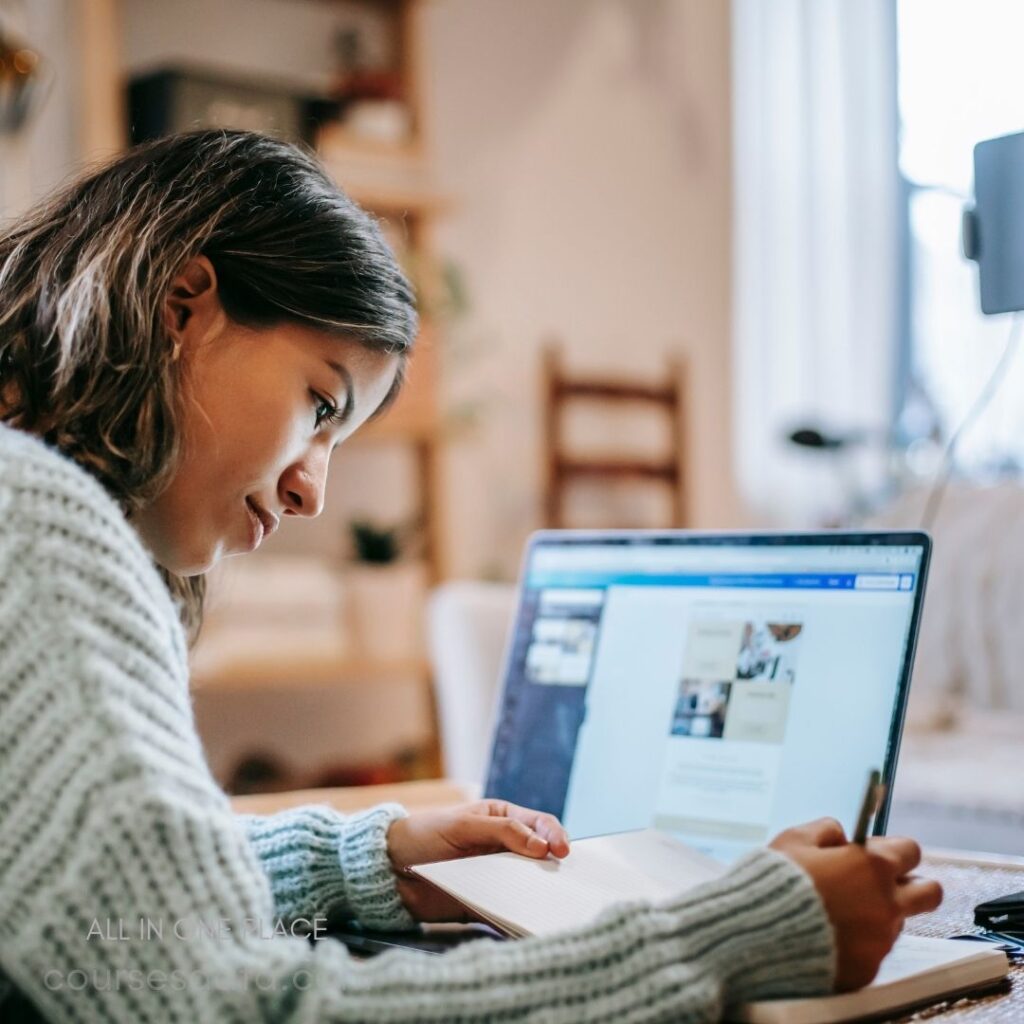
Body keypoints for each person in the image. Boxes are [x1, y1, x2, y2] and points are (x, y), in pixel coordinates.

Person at [0, 129, 941, 1023]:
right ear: (181, 304)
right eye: (320, 403)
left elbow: (83, 911)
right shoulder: (35, 524)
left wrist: (363, 862)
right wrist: (733, 937)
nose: (310, 492)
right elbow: (229, 1007)